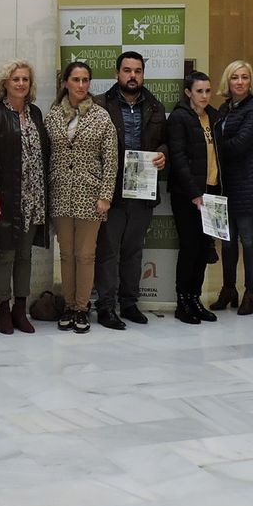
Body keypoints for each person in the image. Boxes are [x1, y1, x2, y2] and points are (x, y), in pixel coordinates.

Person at [93, 51, 167, 329]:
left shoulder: (155, 106)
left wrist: (163, 153)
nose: (132, 76)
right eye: (127, 70)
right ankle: (105, 306)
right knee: (108, 251)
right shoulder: (100, 104)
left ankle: (129, 303)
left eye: (137, 71)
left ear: (143, 75)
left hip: (143, 190)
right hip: (110, 191)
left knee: (134, 251)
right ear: (117, 74)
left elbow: (165, 141)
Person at [0, 59, 49, 334]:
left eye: (25, 79)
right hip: (6, 197)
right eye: (15, 79)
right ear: (5, 83)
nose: (20, 83)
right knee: (6, 253)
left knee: (25, 255)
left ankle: (20, 308)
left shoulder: (36, 113)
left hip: (34, 197)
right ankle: (2, 309)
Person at [44, 60, 117, 333]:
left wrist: (105, 195)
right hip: (61, 192)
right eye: (76, 79)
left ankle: (82, 308)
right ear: (66, 82)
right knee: (66, 254)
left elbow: (111, 160)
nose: (81, 85)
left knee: (85, 255)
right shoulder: (52, 115)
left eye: (85, 80)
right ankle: (69, 305)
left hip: (91, 195)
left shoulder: (101, 116)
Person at [167, 71, 222, 325]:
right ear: (188, 92)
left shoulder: (214, 116)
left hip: (212, 192)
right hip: (188, 196)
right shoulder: (179, 117)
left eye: (208, 91)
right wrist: (194, 193)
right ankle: (183, 301)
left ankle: (195, 297)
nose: (204, 96)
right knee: (190, 247)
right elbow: (178, 158)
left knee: (203, 248)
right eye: (199, 91)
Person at [215, 59, 253, 315]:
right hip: (226, 184)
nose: (240, 82)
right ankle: (228, 289)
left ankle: (251, 291)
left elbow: (240, 143)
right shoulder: (224, 108)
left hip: (248, 183)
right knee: (227, 242)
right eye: (235, 77)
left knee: (248, 240)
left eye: (245, 77)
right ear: (228, 80)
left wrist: (211, 148)